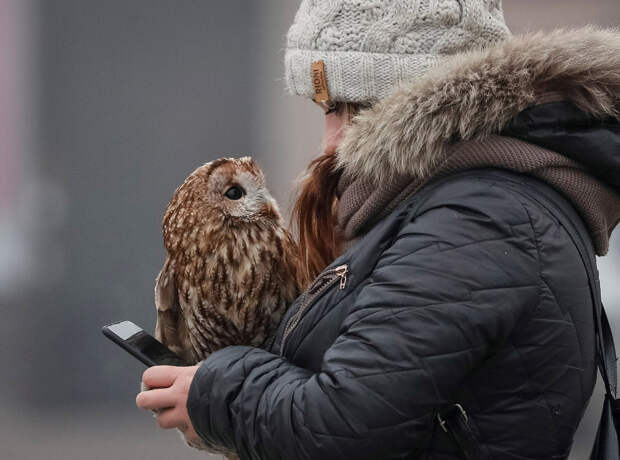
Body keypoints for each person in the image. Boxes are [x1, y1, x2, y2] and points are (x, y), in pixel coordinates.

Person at [136, 1, 620, 458]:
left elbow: (341, 425)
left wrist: (215, 394)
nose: (329, 143)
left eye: (338, 108)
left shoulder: (481, 220)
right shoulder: (472, 207)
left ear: (402, 102)